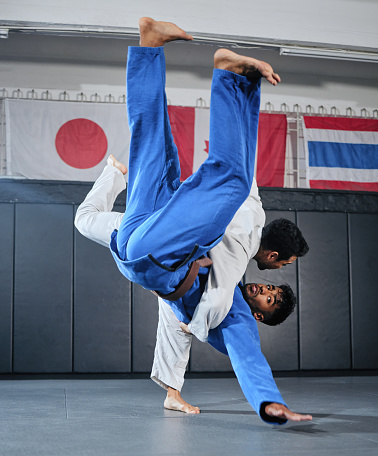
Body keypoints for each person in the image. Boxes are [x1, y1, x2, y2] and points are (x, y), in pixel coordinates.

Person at [75, 17, 311, 424]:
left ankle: (230, 79)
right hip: (146, 237)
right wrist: (194, 323)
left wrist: (268, 403)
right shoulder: (238, 253)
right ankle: (149, 46)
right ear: (272, 255)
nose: (266, 288)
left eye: (269, 297)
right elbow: (220, 320)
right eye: (274, 284)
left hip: (155, 250)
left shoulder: (236, 303)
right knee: (153, 140)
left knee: (229, 180)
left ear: (259, 313)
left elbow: (246, 354)